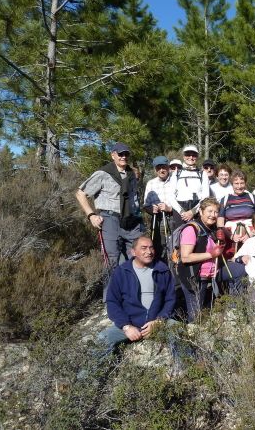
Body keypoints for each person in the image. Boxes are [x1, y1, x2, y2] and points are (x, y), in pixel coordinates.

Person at [76, 142, 142, 297]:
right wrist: (91, 215)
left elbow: (134, 198)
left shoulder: (132, 174)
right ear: (113, 155)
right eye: (120, 154)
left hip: (131, 220)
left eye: (126, 154)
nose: (123, 157)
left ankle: (133, 294)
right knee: (111, 259)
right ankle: (111, 299)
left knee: (136, 256)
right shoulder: (103, 173)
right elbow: (80, 193)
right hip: (110, 218)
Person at [97, 235, 179, 361]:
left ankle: (184, 373)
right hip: (130, 323)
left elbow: (170, 299)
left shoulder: (162, 270)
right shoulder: (121, 272)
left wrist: (159, 320)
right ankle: (88, 380)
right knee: (101, 339)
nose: (149, 252)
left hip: (156, 322)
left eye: (151, 248)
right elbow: (113, 302)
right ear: (133, 252)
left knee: (178, 331)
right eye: (144, 248)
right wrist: (126, 326)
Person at [177, 197, 243, 321]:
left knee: (239, 270)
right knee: (196, 318)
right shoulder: (191, 229)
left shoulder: (211, 229)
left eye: (216, 212)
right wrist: (211, 255)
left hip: (213, 272)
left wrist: (221, 240)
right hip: (194, 277)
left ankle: (234, 309)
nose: (213, 215)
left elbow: (216, 250)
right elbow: (185, 258)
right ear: (201, 212)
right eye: (209, 211)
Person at [168, 145, 211, 228]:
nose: (191, 157)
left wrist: (192, 212)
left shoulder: (203, 174)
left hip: (197, 210)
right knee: (180, 237)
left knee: (197, 236)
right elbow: (171, 196)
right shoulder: (176, 173)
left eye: (194, 155)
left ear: (197, 157)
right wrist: (181, 212)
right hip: (179, 210)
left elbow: (205, 196)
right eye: (188, 154)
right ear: (184, 156)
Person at [218, 170, 255, 245]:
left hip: (250, 234)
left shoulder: (252, 197)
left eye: (242, 183)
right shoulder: (225, 199)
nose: (239, 186)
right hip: (230, 237)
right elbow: (220, 222)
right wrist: (231, 236)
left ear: (245, 183)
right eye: (236, 183)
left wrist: (250, 234)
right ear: (232, 184)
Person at [143, 156, 174, 261]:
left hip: (173, 217)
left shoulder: (175, 181)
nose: (161, 170)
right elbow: (146, 206)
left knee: (174, 245)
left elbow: (181, 203)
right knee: (158, 247)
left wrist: (169, 208)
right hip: (158, 219)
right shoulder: (150, 183)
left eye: (164, 167)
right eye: (158, 168)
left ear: (168, 167)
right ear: (155, 169)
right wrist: (152, 210)